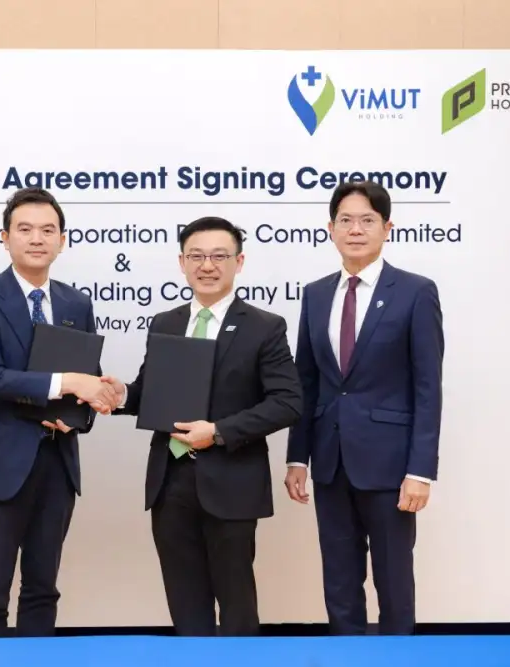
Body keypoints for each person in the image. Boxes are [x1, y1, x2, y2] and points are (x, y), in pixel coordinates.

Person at [100, 216, 303, 636]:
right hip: (170, 480)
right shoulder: (166, 322)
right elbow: (152, 391)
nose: (207, 265)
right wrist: (120, 396)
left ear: (238, 262)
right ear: (182, 262)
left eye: (218, 256)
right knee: (185, 603)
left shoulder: (264, 327)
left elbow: (287, 402)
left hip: (231, 481)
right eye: (196, 256)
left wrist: (219, 431)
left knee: (236, 604)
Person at [0, 187, 116, 638]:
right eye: (25, 229)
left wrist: (87, 407)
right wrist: (68, 384)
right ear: (5, 237)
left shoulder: (76, 302)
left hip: (56, 461)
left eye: (48, 230)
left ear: (62, 240)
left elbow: (86, 375)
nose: (37, 239)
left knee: (43, 589)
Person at [285, 180, 444, 636]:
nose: (356, 230)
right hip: (330, 460)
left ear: (387, 228)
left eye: (367, 220)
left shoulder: (415, 292)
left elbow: (428, 387)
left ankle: (398, 659)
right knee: (339, 578)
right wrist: (298, 457)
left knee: (394, 580)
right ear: (331, 228)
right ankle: (345, 656)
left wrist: (421, 470)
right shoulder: (316, 294)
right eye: (346, 220)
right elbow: (307, 381)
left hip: (391, 465)